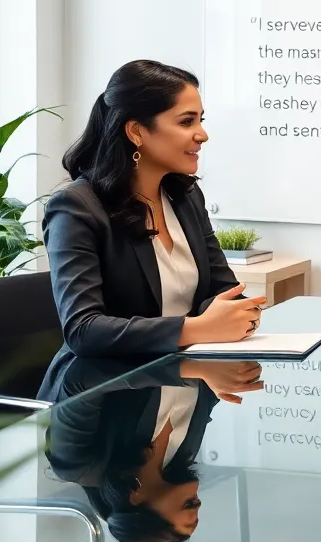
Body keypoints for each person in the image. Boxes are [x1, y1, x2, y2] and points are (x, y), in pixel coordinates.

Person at [42, 60, 265, 380]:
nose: (202, 135)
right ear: (136, 132)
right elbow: (83, 330)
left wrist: (240, 313)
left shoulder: (186, 198)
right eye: (187, 121)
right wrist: (197, 328)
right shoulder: (75, 208)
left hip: (179, 378)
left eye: (200, 120)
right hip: (100, 394)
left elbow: (224, 292)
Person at [42, 354, 265, 542]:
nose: (199, 504)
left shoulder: (77, 464)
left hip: (122, 320)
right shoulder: (183, 452)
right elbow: (209, 389)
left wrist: (190, 368)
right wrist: (239, 373)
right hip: (189, 322)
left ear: (135, 498)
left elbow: (80, 378)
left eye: (190, 503)